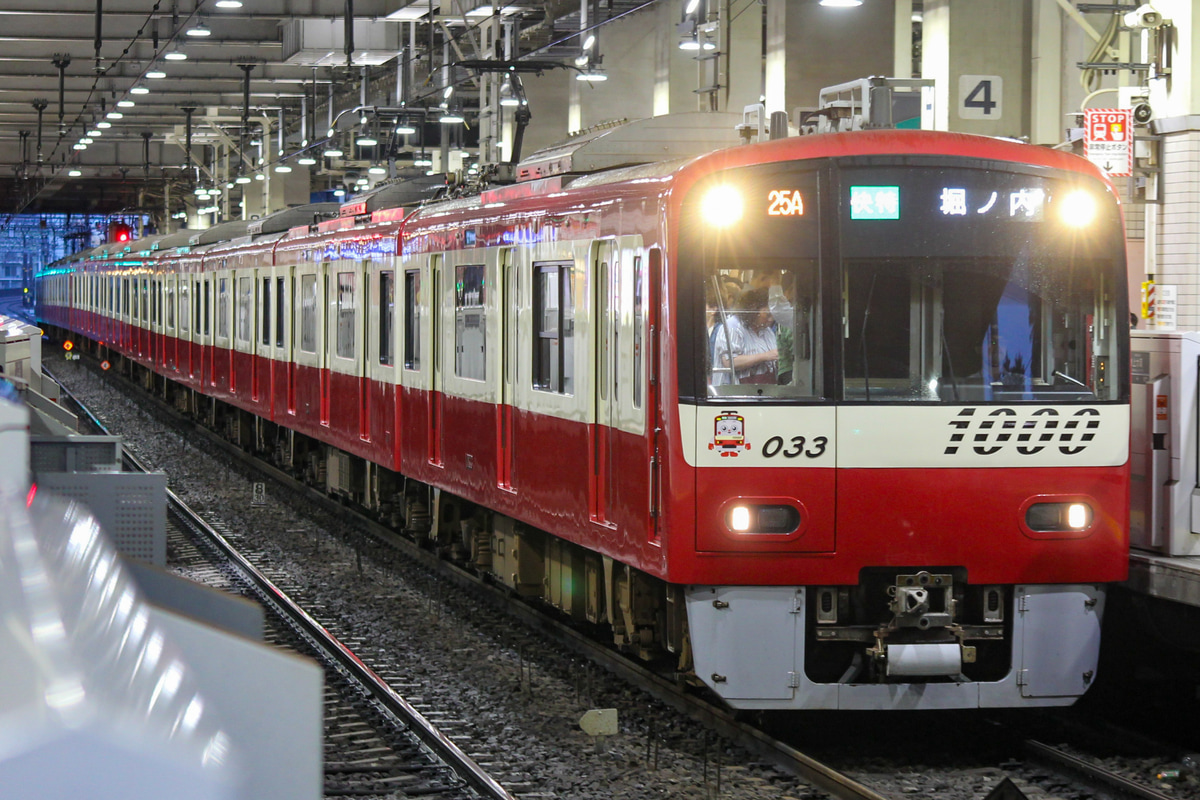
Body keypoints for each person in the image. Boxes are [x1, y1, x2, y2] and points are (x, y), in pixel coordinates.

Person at [713, 287, 778, 386]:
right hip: (733, 392)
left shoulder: (767, 331)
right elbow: (729, 362)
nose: (770, 320)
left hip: (761, 389)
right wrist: (765, 356)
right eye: (767, 315)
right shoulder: (732, 327)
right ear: (753, 311)